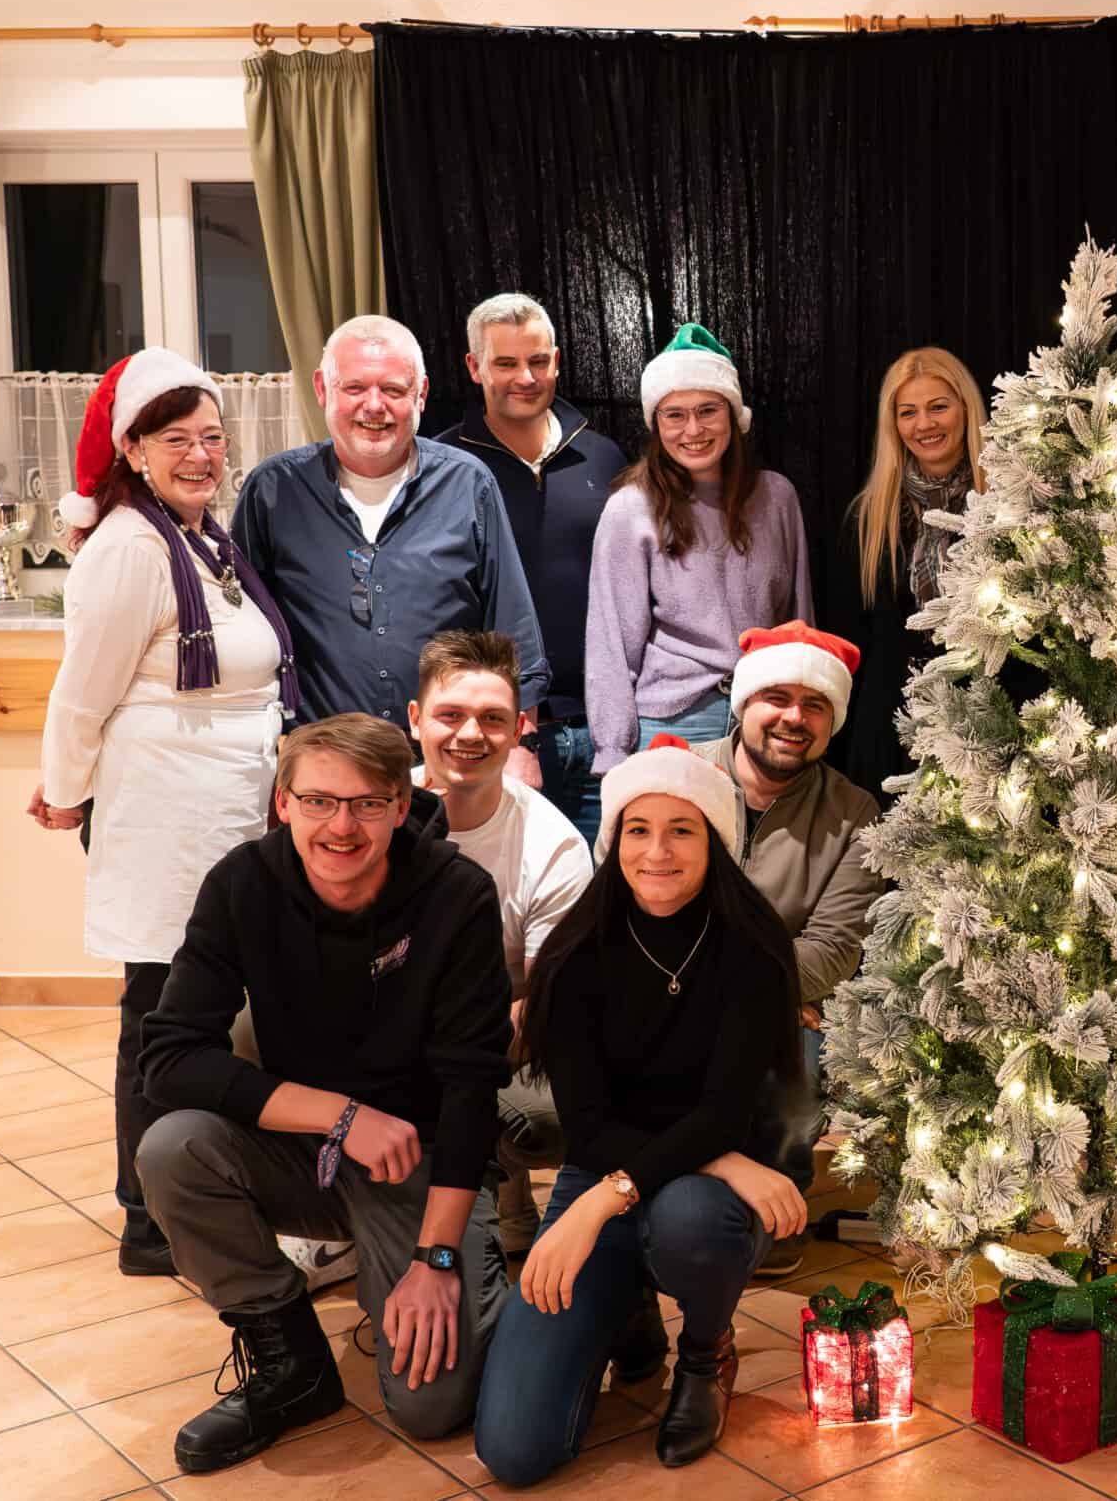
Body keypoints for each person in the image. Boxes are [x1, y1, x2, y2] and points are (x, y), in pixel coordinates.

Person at [135, 715, 513, 1473]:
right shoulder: (242, 882)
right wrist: (341, 1115)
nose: (340, 825)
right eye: (317, 801)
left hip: (421, 1165)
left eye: (367, 803)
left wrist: (436, 1258)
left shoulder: (456, 893)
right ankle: (292, 1365)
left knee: (430, 1406)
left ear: (402, 807)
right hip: (303, 1150)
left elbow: (472, 1088)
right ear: (282, 802)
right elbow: (170, 1058)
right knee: (172, 1148)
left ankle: (482, 1272)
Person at [30, 349, 299, 1281]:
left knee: (218, 1010)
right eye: (175, 439)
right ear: (133, 450)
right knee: (162, 1010)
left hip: (225, 810)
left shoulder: (200, 536)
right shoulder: (126, 548)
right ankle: (148, 1217)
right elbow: (82, 695)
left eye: (212, 437)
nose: (199, 454)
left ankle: (213, 1184)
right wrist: (64, 791)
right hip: (163, 814)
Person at [472, 737, 807, 1481]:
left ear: (714, 841)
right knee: (514, 1450)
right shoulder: (578, 950)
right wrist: (603, 1201)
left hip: (695, 1200)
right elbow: (587, 1130)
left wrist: (605, 1202)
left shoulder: (752, 948)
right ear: (614, 836)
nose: (657, 850)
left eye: (681, 828)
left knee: (691, 1216)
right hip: (604, 1173)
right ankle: (626, 1305)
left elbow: (726, 1110)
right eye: (637, 827)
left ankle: (704, 1355)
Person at [230, 314, 550, 737]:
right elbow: (241, 633)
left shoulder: (468, 484)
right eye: (355, 388)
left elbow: (512, 626)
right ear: (323, 390)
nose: (374, 406)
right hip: (322, 763)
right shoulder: (273, 491)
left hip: (448, 758)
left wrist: (521, 746)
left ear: (421, 396)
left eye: (394, 390)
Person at [682, 623, 882, 1280]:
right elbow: (622, 913)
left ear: (833, 720)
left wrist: (751, 990)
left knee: (796, 1054)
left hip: (779, 1005)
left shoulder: (855, 815)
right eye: (777, 697)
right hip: (667, 986)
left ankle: (779, 1199)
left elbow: (831, 951)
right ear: (744, 702)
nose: (794, 717)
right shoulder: (674, 773)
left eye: (815, 704)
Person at [408, 630, 593, 1256]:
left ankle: (494, 1184)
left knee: (543, 1117)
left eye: (491, 719)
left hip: (498, 1039)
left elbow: (546, 1005)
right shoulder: (370, 812)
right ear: (415, 721)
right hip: (379, 1022)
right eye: (450, 715)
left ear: (518, 731)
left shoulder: (555, 845)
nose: (469, 735)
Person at [439, 293, 627, 836]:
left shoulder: (604, 458)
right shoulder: (446, 467)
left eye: (538, 361)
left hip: (603, 734)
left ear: (558, 361)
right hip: (496, 738)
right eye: (505, 363)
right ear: (475, 368)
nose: (526, 376)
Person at [588, 322, 811, 772]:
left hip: (765, 715)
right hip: (675, 721)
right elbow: (610, 642)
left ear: (733, 415)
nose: (693, 429)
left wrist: (804, 703)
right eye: (675, 414)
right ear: (656, 424)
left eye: (708, 410)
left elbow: (798, 619)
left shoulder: (777, 497)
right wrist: (613, 751)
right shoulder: (631, 509)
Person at [826, 346, 987, 797]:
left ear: (965, 409)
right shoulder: (868, 518)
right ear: (893, 424)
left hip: (986, 729)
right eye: (908, 412)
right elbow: (851, 639)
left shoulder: (1005, 508)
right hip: (889, 733)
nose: (925, 424)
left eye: (939, 407)